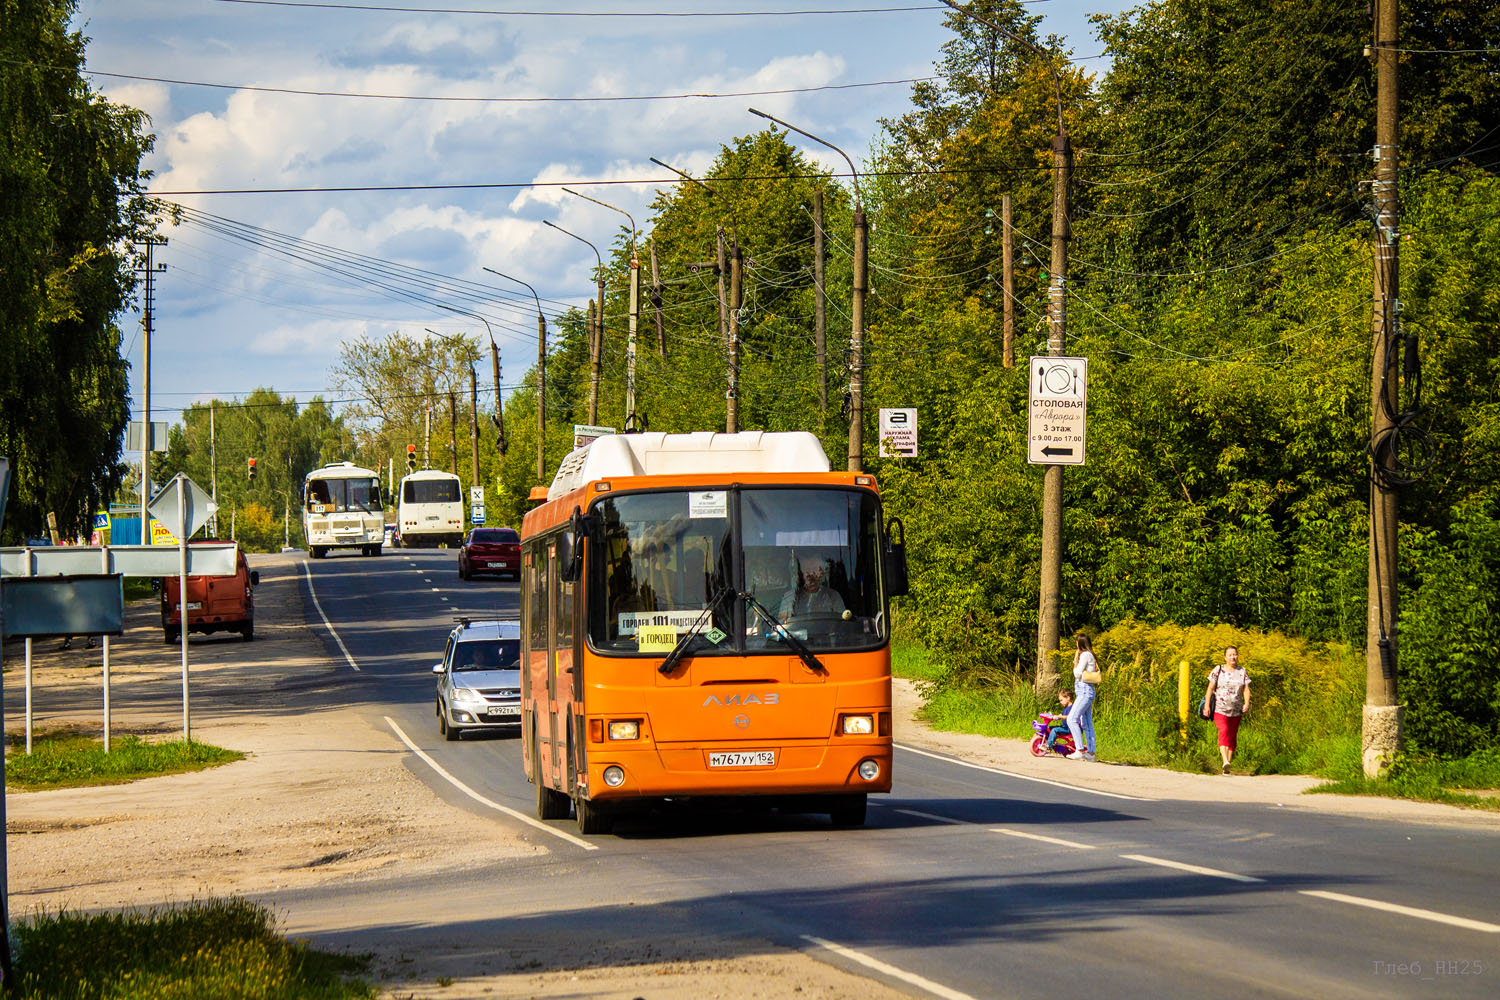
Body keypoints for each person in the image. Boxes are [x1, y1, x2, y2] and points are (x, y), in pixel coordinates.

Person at [1207, 645, 1251, 773]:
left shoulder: (1242, 671)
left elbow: (1246, 689)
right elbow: (1210, 688)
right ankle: (1225, 760)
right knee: (1223, 730)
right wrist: (1206, 706)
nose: (1233, 657)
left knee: (1232, 736)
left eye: (1235, 654)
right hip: (1220, 709)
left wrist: (1247, 703)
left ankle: (1227, 766)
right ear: (1225, 657)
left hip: (1236, 710)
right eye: (1230, 655)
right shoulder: (1218, 669)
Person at [778, 555, 846, 621]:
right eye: (807, 570)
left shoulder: (833, 597)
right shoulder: (789, 598)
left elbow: (842, 623)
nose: (811, 574)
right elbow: (783, 624)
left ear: (821, 572)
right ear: (801, 573)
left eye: (815, 569)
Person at [1066, 633, 1100, 761]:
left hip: (1084, 691)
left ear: (1079, 643)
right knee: (1086, 723)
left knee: (1071, 719)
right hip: (1086, 691)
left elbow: (1077, 674)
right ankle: (1090, 753)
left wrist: (1075, 662)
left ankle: (1079, 750)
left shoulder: (1085, 655)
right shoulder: (1090, 654)